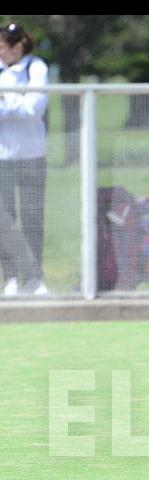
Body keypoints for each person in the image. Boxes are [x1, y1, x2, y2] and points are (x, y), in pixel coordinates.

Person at [0, 22, 48, 295]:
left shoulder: (35, 68)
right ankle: (13, 277)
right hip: (2, 156)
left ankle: (35, 280)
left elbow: (34, 108)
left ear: (18, 47)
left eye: (4, 49)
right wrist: (15, 102)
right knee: (4, 219)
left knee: (32, 218)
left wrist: (6, 103)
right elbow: (22, 105)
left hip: (32, 154)